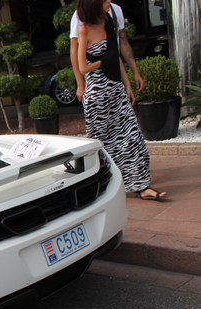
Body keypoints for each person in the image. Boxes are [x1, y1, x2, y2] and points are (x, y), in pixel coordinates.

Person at [77, 0, 165, 200]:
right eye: (105, 0)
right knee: (101, 145)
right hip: (97, 96)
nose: (109, 2)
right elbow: (83, 67)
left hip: (116, 90)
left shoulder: (108, 23)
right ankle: (101, 188)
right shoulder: (84, 29)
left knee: (133, 139)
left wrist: (126, 83)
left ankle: (142, 186)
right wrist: (102, 62)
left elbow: (115, 56)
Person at [70, 1, 143, 102]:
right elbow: (74, 52)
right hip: (96, 83)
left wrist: (134, 73)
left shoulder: (114, 11)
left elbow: (122, 44)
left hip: (115, 77)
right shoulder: (80, 17)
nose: (108, 0)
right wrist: (80, 84)